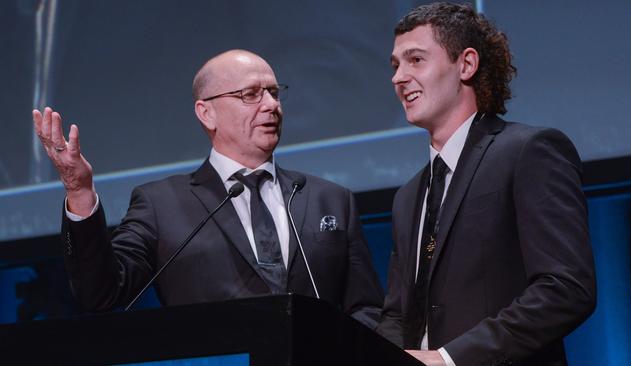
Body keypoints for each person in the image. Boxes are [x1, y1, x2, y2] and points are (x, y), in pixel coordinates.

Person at [32, 49, 384, 328]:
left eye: (274, 93)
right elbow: (101, 293)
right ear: (206, 113)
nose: (272, 105)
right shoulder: (161, 204)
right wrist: (79, 191)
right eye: (250, 94)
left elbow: (366, 308)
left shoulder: (331, 199)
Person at [376, 3, 596, 365]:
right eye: (396, 65)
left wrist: (451, 358)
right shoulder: (408, 196)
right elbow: (399, 314)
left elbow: (566, 289)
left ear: (466, 64)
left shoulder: (528, 151)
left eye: (415, 60)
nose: (398, 77)